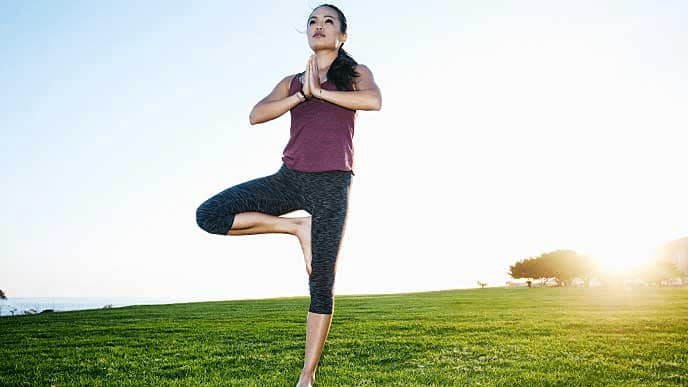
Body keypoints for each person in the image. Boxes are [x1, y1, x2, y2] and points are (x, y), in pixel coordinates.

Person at [195, 4, 381, 386]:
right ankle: (296, 227)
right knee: (210, 214)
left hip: (331, 182)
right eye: (313, 21)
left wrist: (323, 94)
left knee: (321, 281)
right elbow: (256, 114)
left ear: (342, 35)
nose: (319, 26)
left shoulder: (356, 74)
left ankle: (306, 377)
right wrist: (302, 96)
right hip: (289, 178)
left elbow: (373, 101)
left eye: (328, 21)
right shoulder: (292, 81)